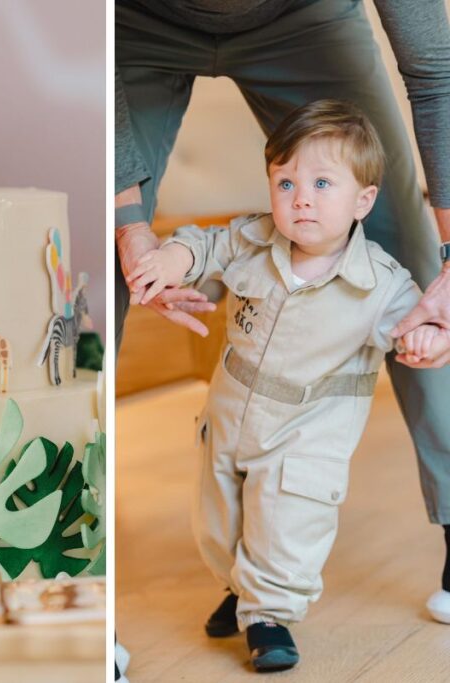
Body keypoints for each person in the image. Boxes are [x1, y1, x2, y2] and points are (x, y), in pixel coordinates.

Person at [115, 0, 450, 624]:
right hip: (137, 19)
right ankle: (74, 562)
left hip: (303, 17)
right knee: (109, 256)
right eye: (289, 187)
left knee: (409, 244)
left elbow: (435, 70)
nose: (300, 201)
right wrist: (129, 224)